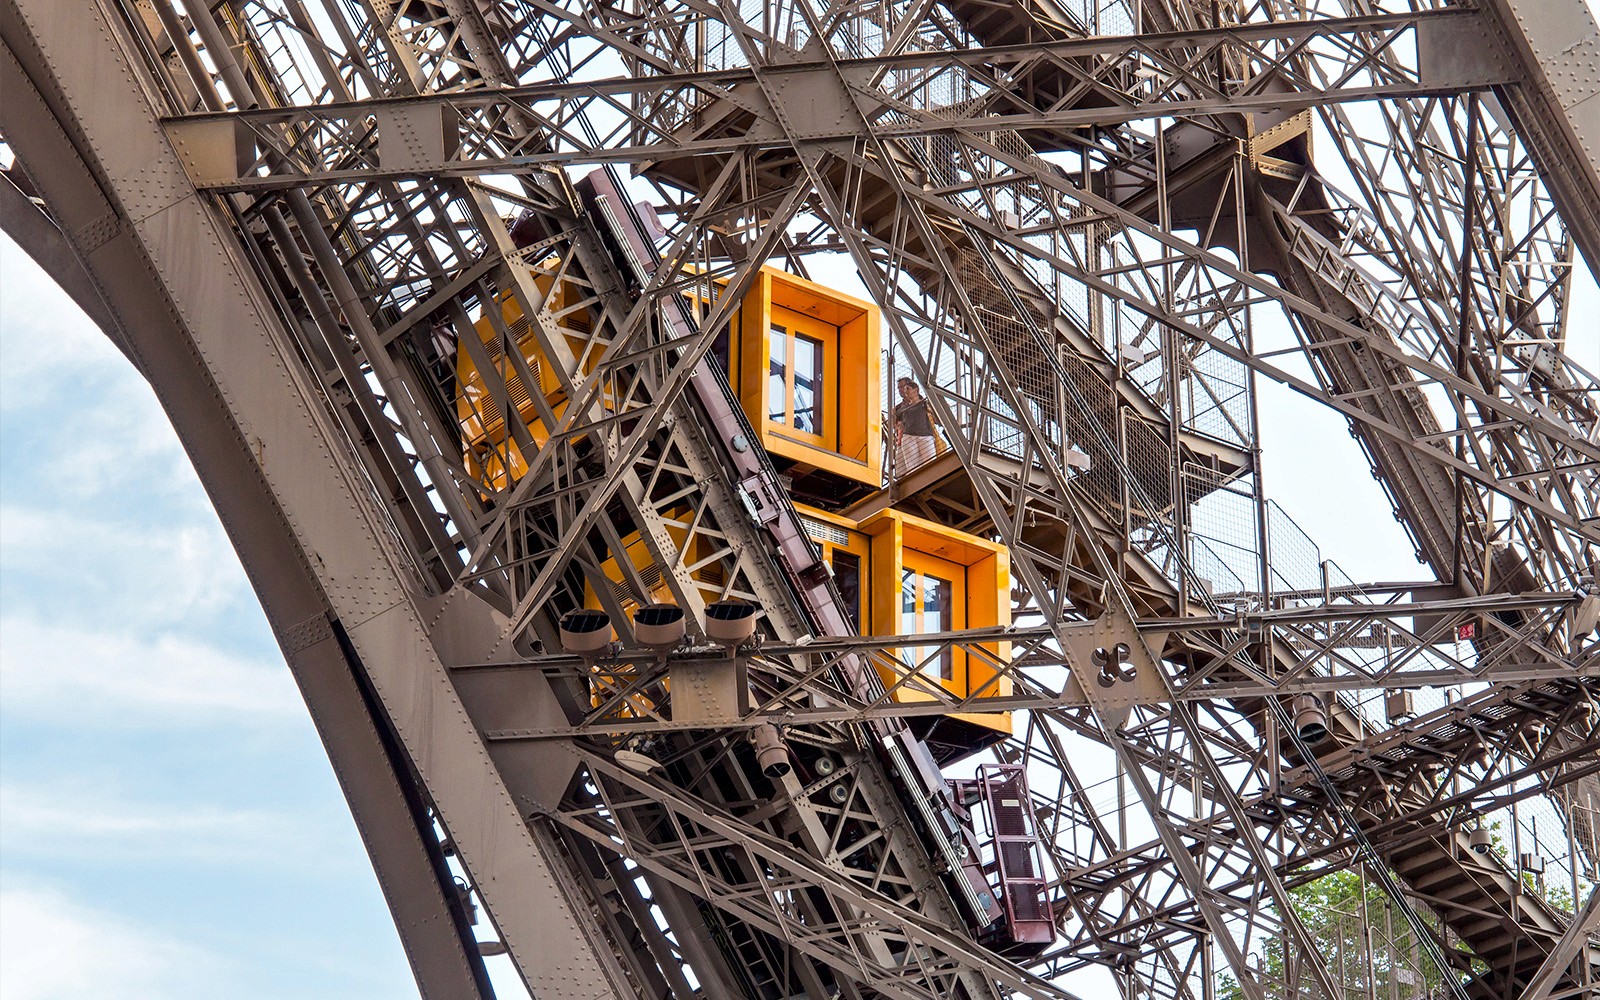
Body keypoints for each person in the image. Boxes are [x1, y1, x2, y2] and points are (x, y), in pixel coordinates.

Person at [893, 377, 938, 473]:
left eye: (906, 389)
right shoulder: (901, 408)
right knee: (912, 467)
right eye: (901, 389)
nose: (904, 392)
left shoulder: (925, 403)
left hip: (925, 435)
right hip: (909, 437)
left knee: (931, 463)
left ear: (916, 390)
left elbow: (936, 417)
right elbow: (896, 423)